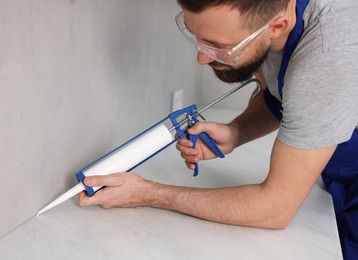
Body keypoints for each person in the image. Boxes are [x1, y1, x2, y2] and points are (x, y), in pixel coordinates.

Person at [79, 0, 358, 258]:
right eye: (195, 35)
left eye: (218, 45)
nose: (201, 58)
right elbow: (282, 94)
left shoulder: (328, 54)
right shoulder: (273, 22)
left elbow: (275, 208)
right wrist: (236, 132)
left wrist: (146, 193)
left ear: (278, 26)